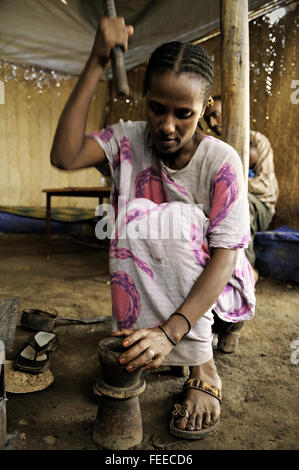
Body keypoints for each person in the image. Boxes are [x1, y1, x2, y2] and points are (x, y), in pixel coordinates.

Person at [50, 17, 255, 440]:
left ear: (204, 107)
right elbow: (65, 155)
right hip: (158, 280)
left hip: (215, 283)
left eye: (184, 114)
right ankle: (137, 342)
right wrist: (95, 62)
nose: (167, 126)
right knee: (134, 219)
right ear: (144, 99)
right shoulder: (129, 141)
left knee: (170, 221)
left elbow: (225, 257)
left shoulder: (221, 162)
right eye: (157, 109)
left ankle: (202, 363)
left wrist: (170, 332)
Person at [204, 97, 278, 353]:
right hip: (228, 202)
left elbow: (267, 186)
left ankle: (236, 311)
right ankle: (217, 311)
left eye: (217, 113)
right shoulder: (213, 146)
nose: (213, 121)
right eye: (209, 116)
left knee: (238, 211)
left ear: (233, 109)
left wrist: (232, 183)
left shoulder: (257, 141)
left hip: (257, 205)